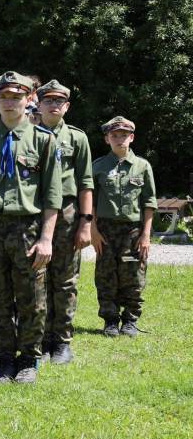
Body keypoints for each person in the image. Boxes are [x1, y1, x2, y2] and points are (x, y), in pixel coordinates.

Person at [0, 71, 62, 385]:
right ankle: (5, 361)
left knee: (32, 297)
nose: (10, 102)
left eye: (16, 97)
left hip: (27, 229)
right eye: (4, 96)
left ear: (28, 99)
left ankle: (29, 361)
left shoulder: (43, 141)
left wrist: (46, 238)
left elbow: (52, 196)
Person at [36, 80, 93, 364]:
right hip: (35, 212)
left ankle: (62, 341)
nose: (53, 105)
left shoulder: (77, 138)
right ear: (38, 105)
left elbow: (86, 183)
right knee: (38, 278)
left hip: (68, 214)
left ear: (67, 106)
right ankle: (42, 338)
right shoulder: (28, 135)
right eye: (48, 101)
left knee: (65, 279)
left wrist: (86, 223)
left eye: (59, 101)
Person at [92, 116, 156, 338]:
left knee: (133, 275)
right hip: (105, 231)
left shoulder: (142, 166)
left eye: (124, 135)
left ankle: (130, 320)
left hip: (133, 232)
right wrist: (93, 230)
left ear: (132, 138)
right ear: (107, 139)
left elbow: (149, 203)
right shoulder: (98, 167)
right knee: (105, 275)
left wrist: (146, 235)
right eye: (114, 135)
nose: (119, 139)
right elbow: (90, 202)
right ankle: (110, 320)